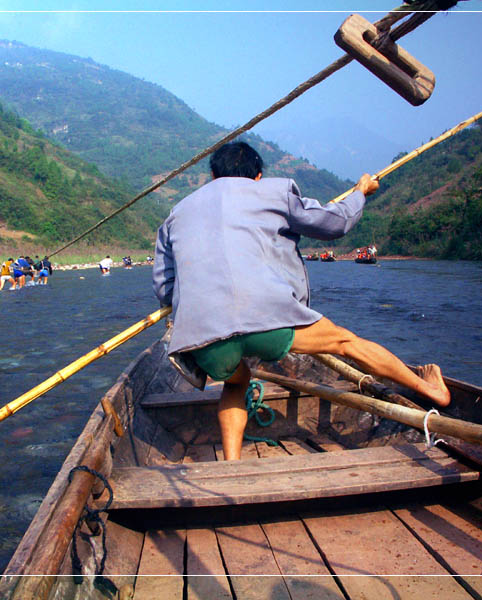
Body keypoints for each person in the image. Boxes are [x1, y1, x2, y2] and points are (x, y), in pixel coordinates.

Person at [152, 141, 450, 461]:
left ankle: (232, 464)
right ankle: (429, 389)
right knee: (345, 342)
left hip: (204, 336)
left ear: (212, 175)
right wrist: (360, 192)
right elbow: (334, 223)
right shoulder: (274, 192)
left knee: (236, 382)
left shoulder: (175, 214)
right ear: (258, 176)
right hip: (268, 319)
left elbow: (164, 287)